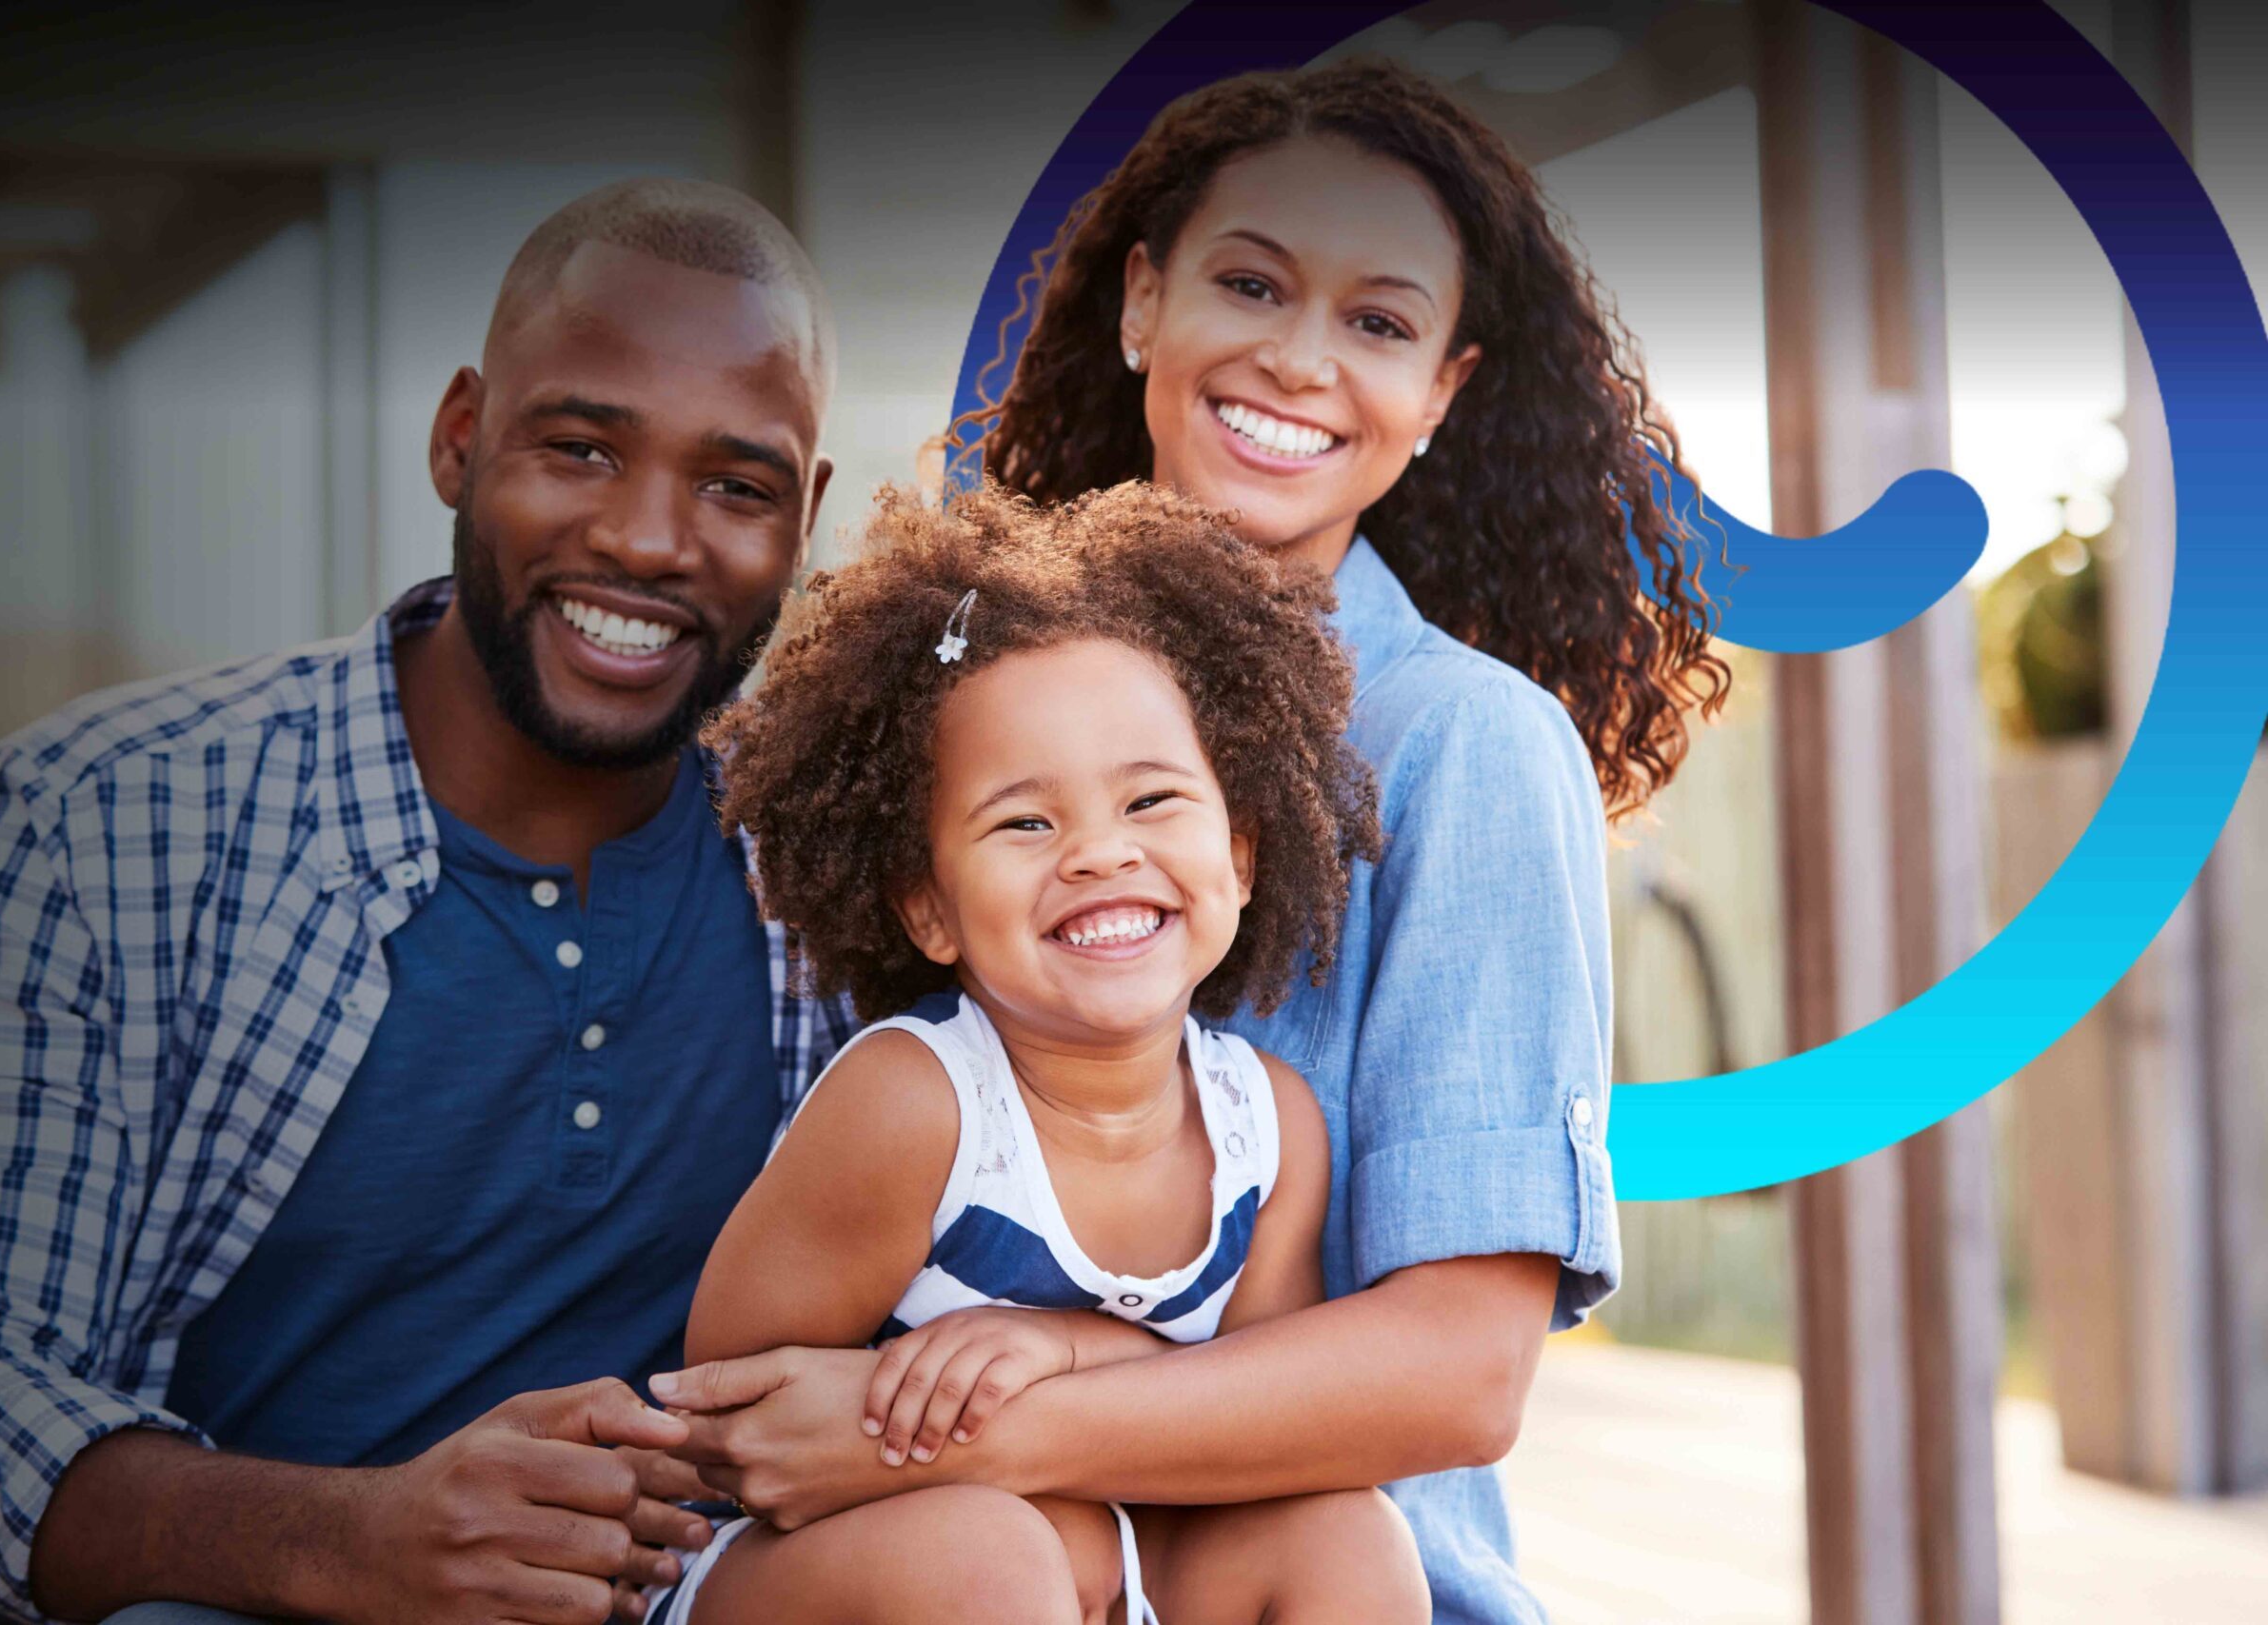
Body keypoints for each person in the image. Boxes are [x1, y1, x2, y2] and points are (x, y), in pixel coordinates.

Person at [647, 57, 1729, 1624]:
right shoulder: (957, 680)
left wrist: (956, 1429)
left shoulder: (1461, 746)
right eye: (1251, 282)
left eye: (1379, 321)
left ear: (1442, 388)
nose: (1300, 359)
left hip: (1300, 1570)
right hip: (950, 1564)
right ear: (1143, 303)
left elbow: (1461, 1370)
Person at [0, 178, 853, 1625]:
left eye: (735, 485)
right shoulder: (100, 818)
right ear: (458, 437)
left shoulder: (849, 865)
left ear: (803, 516)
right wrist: (357, 1542)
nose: (646, 538)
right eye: (579, 446)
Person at [656, 481, 1418, 1625]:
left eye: (1152, 800)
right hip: (830, 1579)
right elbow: (732, 1418)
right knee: (986, 1555)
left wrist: (1063, 1346)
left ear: (1243, 855)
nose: (1100, 855)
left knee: (1346, 1532)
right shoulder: (916, 1106)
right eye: (1026, 822)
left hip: (1107, 1555)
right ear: (928, 909)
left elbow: (1259, 1423)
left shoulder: (1269, 1128)